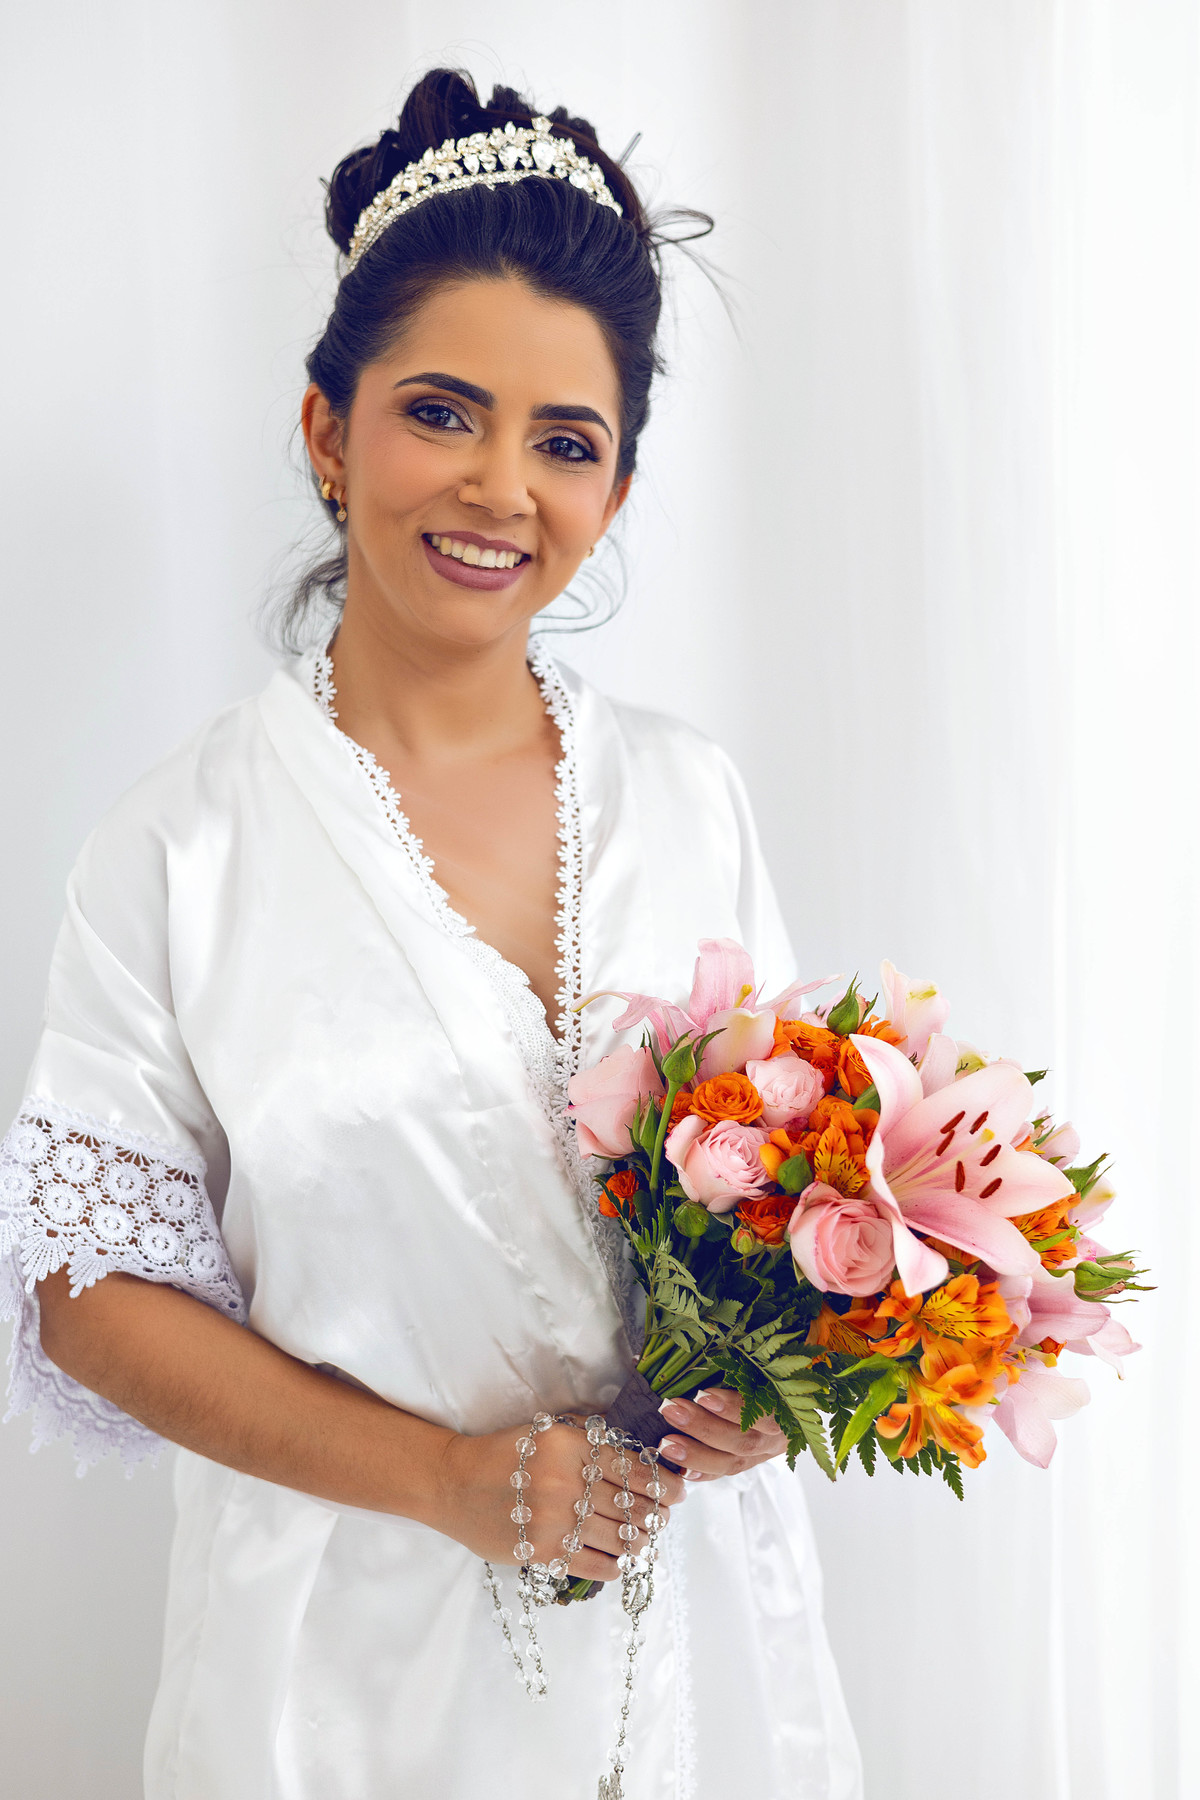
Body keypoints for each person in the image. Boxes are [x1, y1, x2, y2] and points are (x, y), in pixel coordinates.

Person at [0, 68, 862, 1800]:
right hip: (340, 1685)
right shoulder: (180, 848)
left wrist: (778, 1382)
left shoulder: (692, 800)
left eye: (566, 442)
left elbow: (800, 1182)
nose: (499, 486)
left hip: (698, 1664)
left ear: (616, 492)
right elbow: (88, 1295)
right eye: (441, 412)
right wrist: (449, 1482)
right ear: (328, 433)